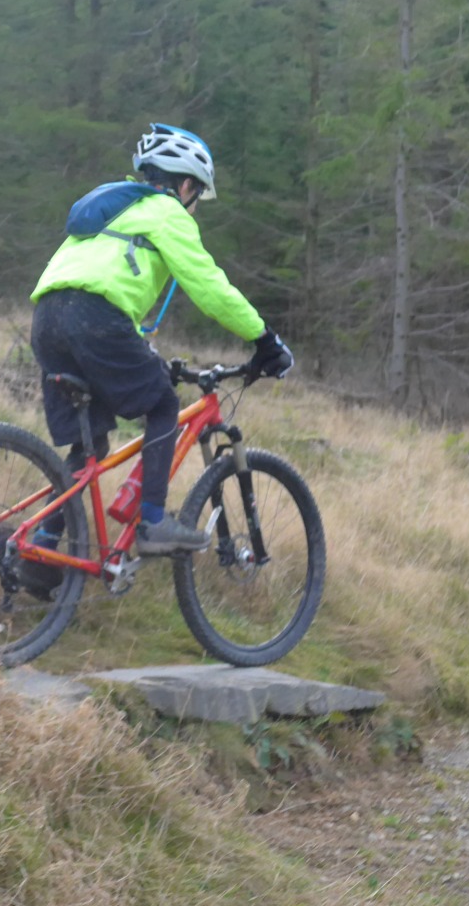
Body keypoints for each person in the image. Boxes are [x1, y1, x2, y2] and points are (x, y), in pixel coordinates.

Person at [19, 124, 292, 594]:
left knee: (90, 447)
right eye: (197, 194)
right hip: (96, 318)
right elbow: (209, 287)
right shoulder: (166, 212)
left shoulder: (115, 207)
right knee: (163, 405)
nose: (194, 205)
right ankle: (151, 522)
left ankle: (43, 549)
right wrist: (263, 339)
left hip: (47, 320)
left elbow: (103, 279)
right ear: (185, 185)